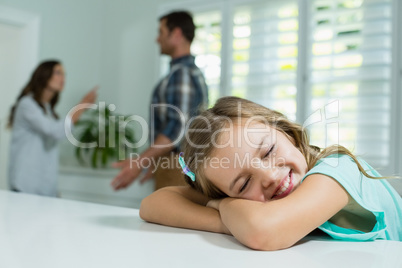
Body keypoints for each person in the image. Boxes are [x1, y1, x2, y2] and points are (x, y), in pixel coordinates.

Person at [139, 96, 402, 250]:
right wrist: (230, 218)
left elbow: (260, 230)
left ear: (286, 133)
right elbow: (153, 204)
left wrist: (225, 206)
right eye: (243, 185)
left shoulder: (338, 170)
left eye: (267, 152)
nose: (270, 177)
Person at [111, 11, 208, 191]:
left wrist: (140, 161)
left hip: (177, 167)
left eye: (161, 32)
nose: (157, 39)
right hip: (177, 165)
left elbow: (177, 128)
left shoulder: (182, 75)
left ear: (176, 34)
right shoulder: (188, 73)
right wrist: (155, 161)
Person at [8, 60, 97, 197]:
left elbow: (49, 149)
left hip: (44, 190)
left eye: (64, 74)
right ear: (44, 75)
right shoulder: (27, 104)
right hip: (25, 187)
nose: (63, 78)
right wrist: (82, 106)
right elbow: (55, 131)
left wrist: (53, 191)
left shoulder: (48, 111)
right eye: (58, 73)